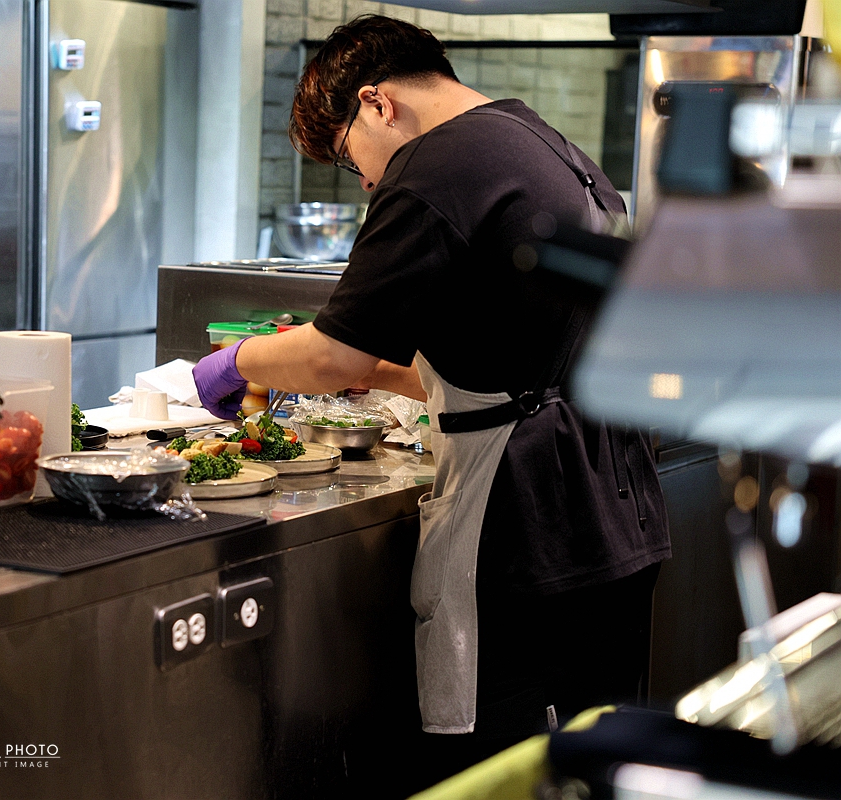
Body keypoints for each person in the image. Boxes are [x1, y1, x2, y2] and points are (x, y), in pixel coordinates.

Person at [194, 15, 670, 783]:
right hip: (614, 514)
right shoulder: (544, 144)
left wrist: (231, 364)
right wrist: (379, 376)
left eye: (352, 160)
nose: (369, 183)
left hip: (530, 526)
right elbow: (526, 364)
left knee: (501, 774)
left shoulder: (433, 166)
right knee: (593, 767)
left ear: (377, 104)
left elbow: (328, 350)